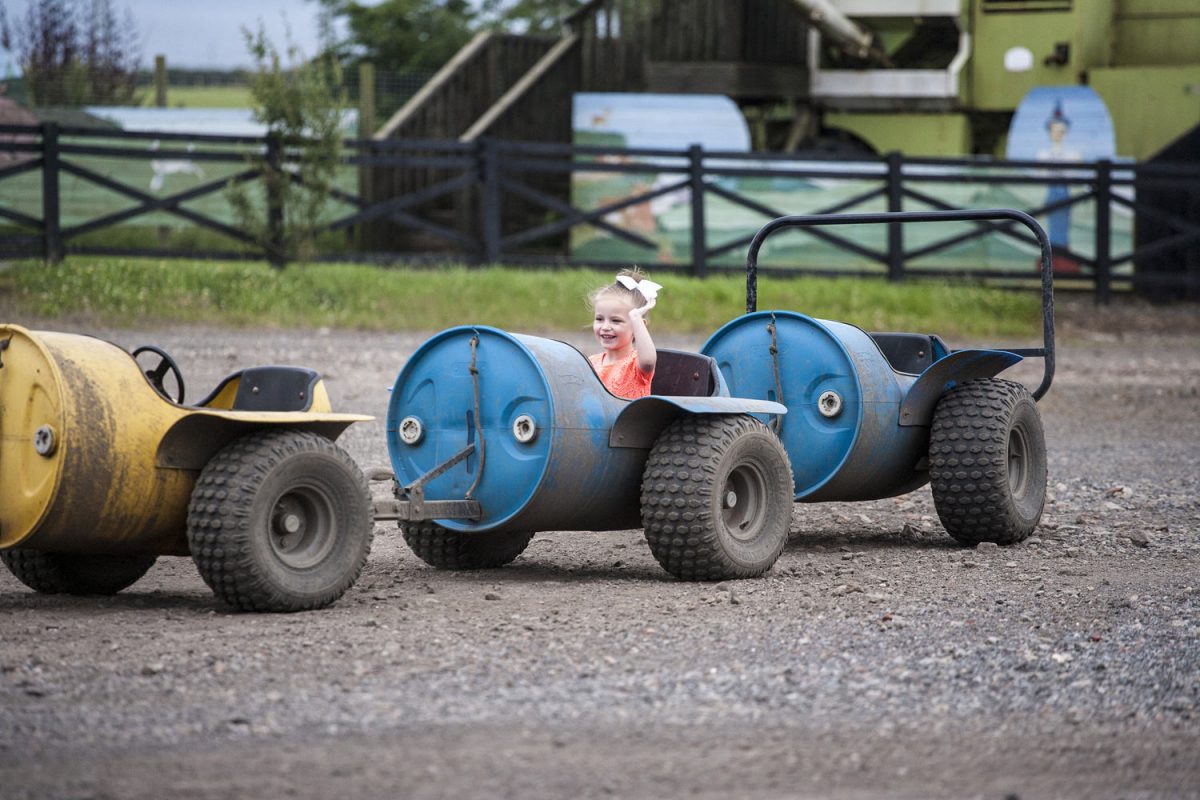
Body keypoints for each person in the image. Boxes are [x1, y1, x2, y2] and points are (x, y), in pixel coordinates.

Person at [588, 269, 661, 399]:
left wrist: (635, 318)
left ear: (638, 327)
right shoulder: (591, 362)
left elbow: (649, 361)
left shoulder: (636, 364)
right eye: (599, 319)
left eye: (616, 321)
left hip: (630, 419)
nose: (605, 327)